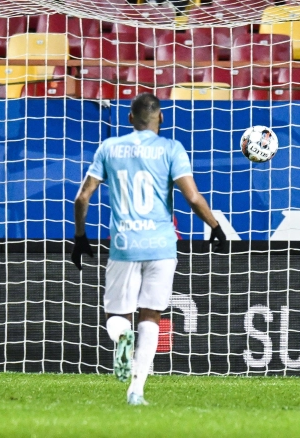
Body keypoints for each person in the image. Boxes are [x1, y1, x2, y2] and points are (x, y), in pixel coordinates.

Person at [71, 93, 227, 405]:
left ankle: (121, 339)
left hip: (125, 245)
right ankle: (136, 391)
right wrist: (216, 226)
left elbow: (82, 197)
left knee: (117, 315)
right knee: (151, 315)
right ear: (162, 119)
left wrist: (80, 237)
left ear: (130, 119)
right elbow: (194, 198)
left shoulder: (110, 147)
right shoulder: (172, 149)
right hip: (161, 245)